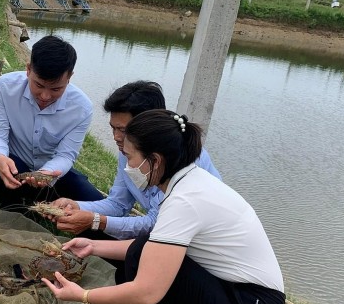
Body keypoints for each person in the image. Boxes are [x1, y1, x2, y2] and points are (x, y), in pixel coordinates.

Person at [41, 109, 285, 304]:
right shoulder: (193, 182)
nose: (128, 167)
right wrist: (94, 246)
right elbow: (156, 248)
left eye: (131, 157)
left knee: (140, 260)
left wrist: (83, 296)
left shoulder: (184, 201)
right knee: (144, 248)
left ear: (154, 160)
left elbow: (146, 293)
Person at [50, 80, 221, 240]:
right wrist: (77, 207)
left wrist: (97, 220)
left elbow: (157, 224)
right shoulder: (129, 149)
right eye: (113, 128)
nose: (116, 137)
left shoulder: (183, 161)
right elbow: (118, 204)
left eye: (122, 130)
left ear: (147, 125)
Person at [0, 35, 104, 210]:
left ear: (69, 77)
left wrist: (46, 174)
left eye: (56, 89)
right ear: (28, 70)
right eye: (39, 85)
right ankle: (19, 204)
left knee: (94, 202)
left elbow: (66, 155)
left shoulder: (81, 108)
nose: (45, 96)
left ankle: (38, 202)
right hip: (17, 167)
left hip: (53, 176)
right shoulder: (5, 87)